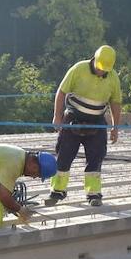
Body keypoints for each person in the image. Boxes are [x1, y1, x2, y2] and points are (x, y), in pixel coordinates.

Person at [47, 44, 123, 207]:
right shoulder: (78, 69)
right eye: (100, 68)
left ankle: (93, 193)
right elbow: (61, 92)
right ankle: (57, 190)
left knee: (96, 159)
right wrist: (57, 116)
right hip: (73, 119)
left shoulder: (113, 77)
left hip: (97, 122)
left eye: (105, 70)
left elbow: (115, 103)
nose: (102, 71)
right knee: (64, 156)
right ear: (94, 59)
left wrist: (115, 128)